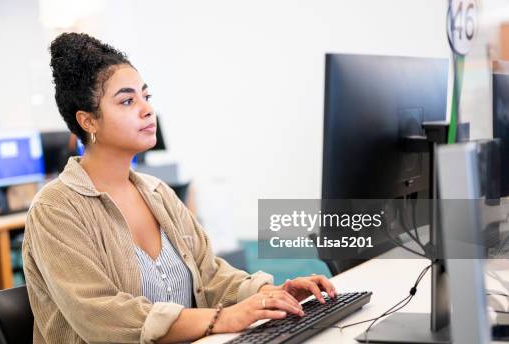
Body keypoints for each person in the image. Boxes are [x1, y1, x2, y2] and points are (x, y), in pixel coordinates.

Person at [22, 32, 337, 344]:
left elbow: (210, 275)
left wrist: (269, 293)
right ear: (88, 121)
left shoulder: (157, 192)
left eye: (147, 97)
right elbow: (101, 316)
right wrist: (222, 319)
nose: (147, 110)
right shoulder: (55, 209)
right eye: (127, 101)